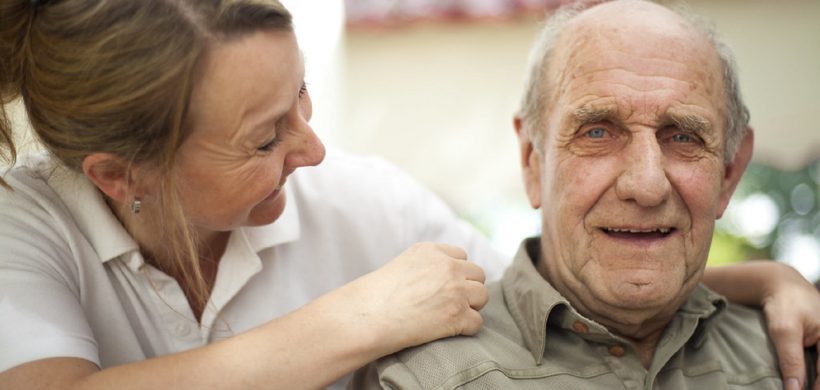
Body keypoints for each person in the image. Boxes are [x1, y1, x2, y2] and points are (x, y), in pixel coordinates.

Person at [0, 1, 816, 389]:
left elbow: (559, 293)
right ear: (119, 176)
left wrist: (762, 283)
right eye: (263, 138)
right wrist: (357, 319)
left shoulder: (359, 199)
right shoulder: (24, 226)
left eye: (303, 100)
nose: (311, 148)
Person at [350, 1, 820, 389]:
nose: (647, 185)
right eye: (597, 132)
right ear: (533, 160)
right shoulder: (422, 377)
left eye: (683, 137)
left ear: (731, 170)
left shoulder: (792, 358)